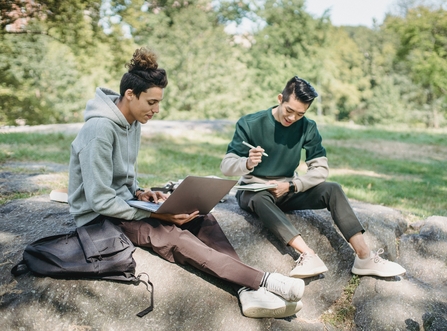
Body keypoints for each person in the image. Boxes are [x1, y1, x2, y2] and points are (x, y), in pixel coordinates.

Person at [67, 48, 306, 319]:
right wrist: (158, 214)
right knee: (172, 235)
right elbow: (99, 200)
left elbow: (121, 178)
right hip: (99, 218)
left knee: (200, 217)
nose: (156, 110)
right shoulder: (99, 131)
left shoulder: (132, 123)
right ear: (130, 95)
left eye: (159, 102)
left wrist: (140, 192)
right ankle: (264, 281)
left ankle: (246, 290)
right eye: (151, 102)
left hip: (122, 204)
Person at [220, 76, 406, 279]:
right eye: (289, 110)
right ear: (280, 98)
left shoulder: (307, 127)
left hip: (288, 189)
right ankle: (308, 255)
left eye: (300, 114)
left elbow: (320, 169)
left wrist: (292, 185)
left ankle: (364, 257)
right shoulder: (250, 123)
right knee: (259, 198)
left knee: (332, 188)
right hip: (255, 191)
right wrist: (246, 163)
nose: (292, 118)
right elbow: (226, 166)